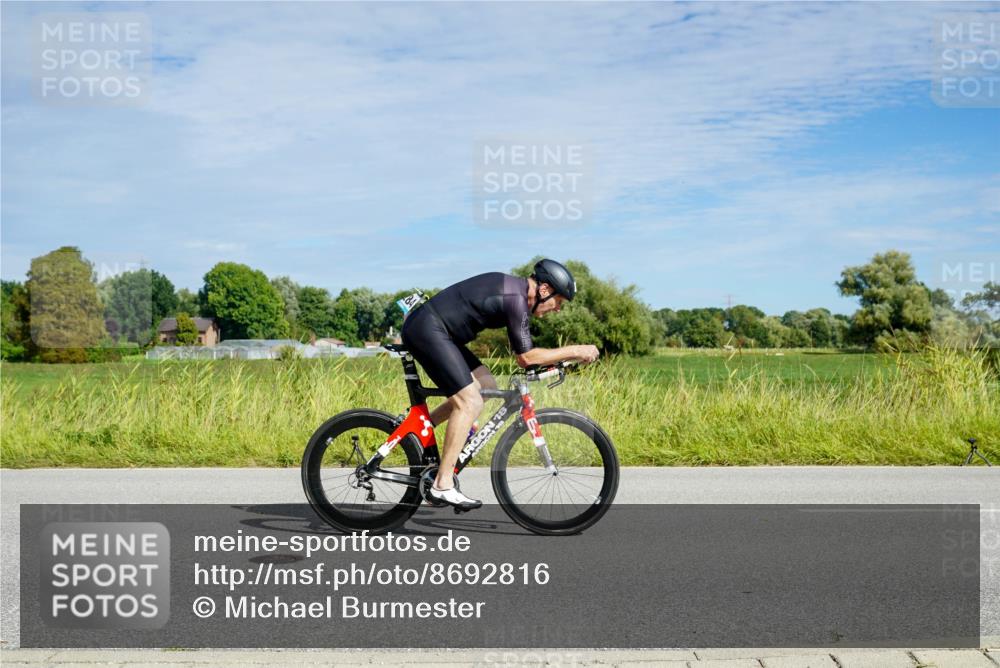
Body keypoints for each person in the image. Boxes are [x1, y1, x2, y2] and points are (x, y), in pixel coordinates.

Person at [400, 259, 600, 511]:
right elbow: (526, 358)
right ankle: (442, 484)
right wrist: (575, 350)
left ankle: (419, 428)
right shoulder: (515, 299)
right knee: (470, 402)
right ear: (545, 290)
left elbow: (526, 357)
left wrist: (557, 361)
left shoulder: (516, 294)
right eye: (558, 302)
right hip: (428, 329)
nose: (557, 309)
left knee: (485, 385)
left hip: (441, 332)